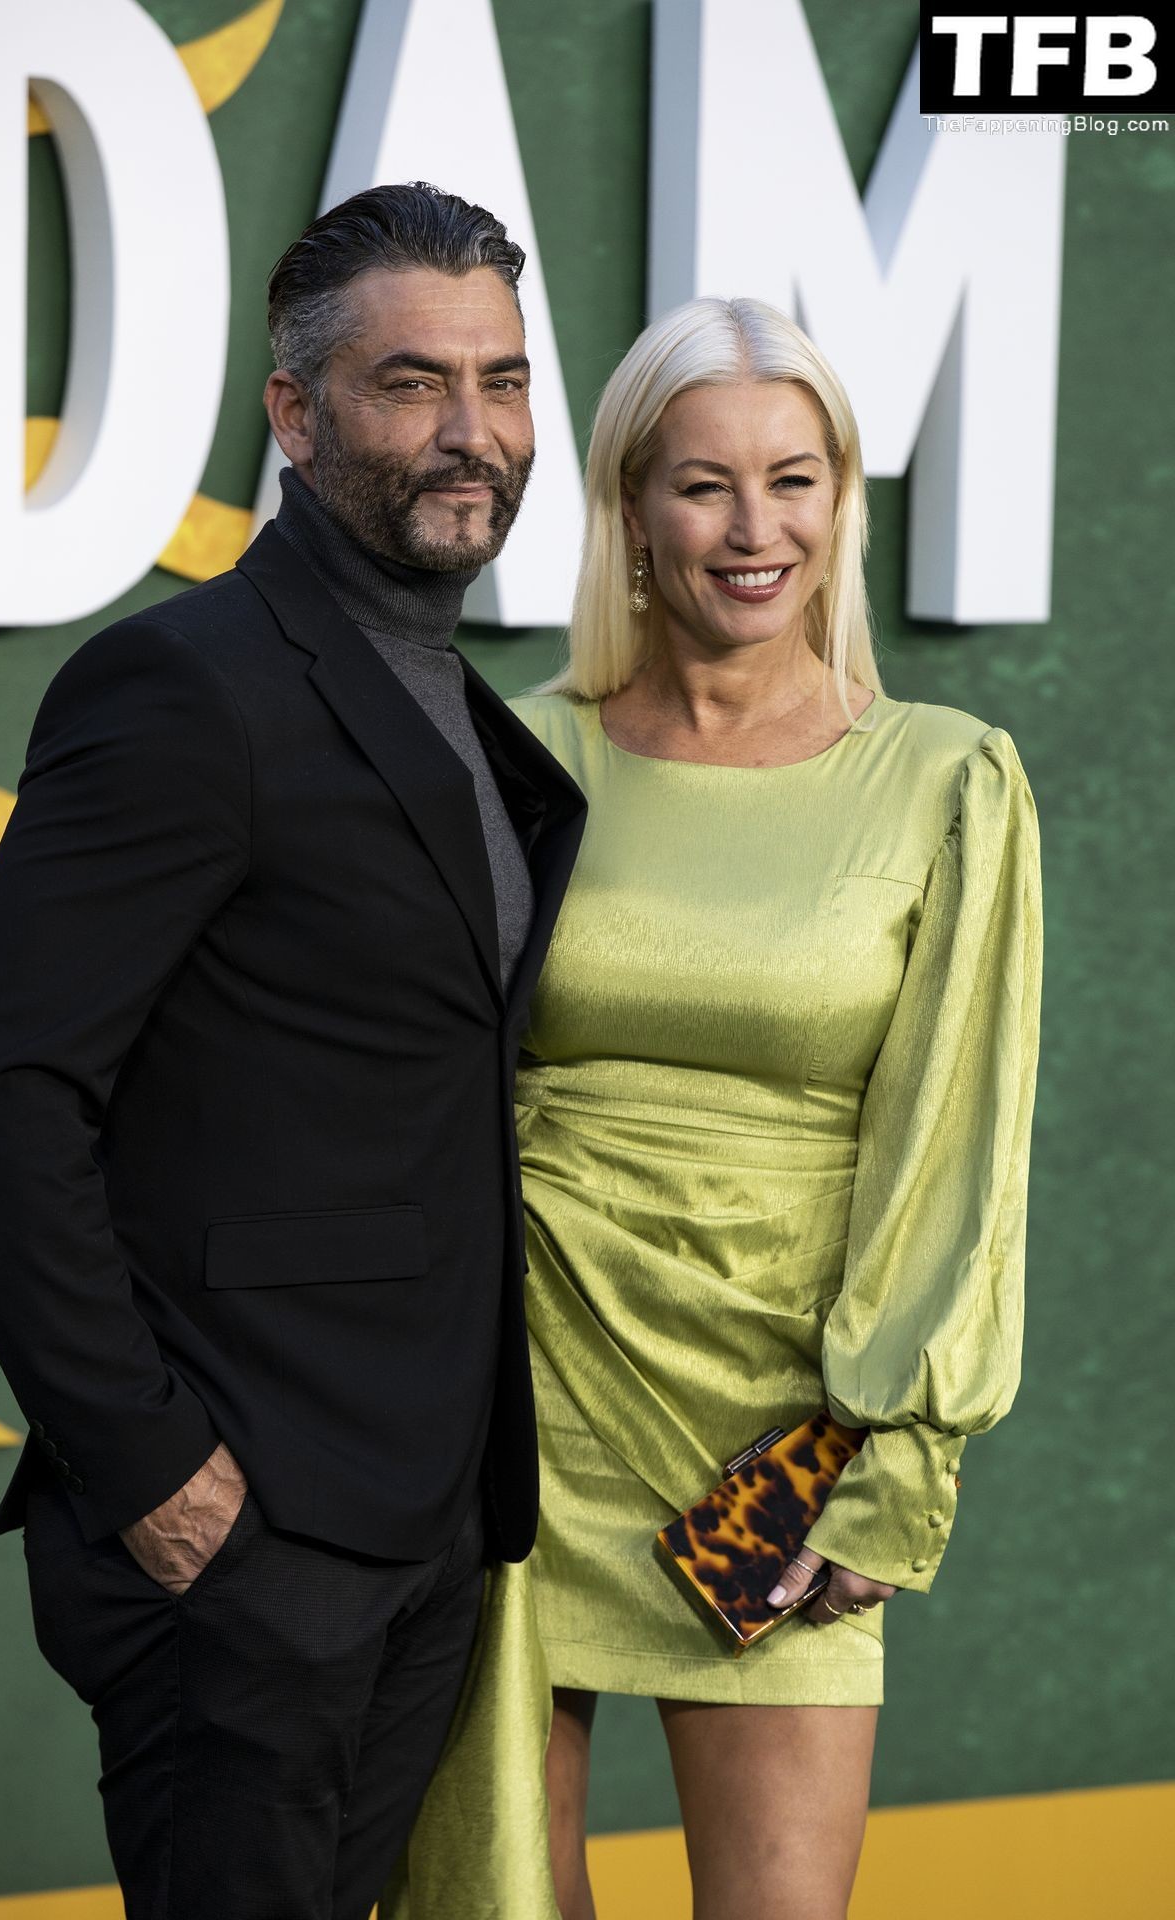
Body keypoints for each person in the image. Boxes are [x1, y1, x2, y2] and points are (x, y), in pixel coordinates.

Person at [0, 182, 586, 1920]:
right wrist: (151, 1469)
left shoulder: (453, 706)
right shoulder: (186, 687)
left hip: (422, 1524)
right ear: (295, 414)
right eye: (412, 384)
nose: (474, 431)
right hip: (245, 1546)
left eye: (504, 381)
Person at [387, 297, 1042, 1920]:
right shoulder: (505, 752)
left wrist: (899, 1461)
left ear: (842, 501)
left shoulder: (947, 776)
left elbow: (958, 1145)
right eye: (703, 485)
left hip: (784, 1440)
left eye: (793, 479)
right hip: (509, 1407)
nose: (756, 531)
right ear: (629, 507)